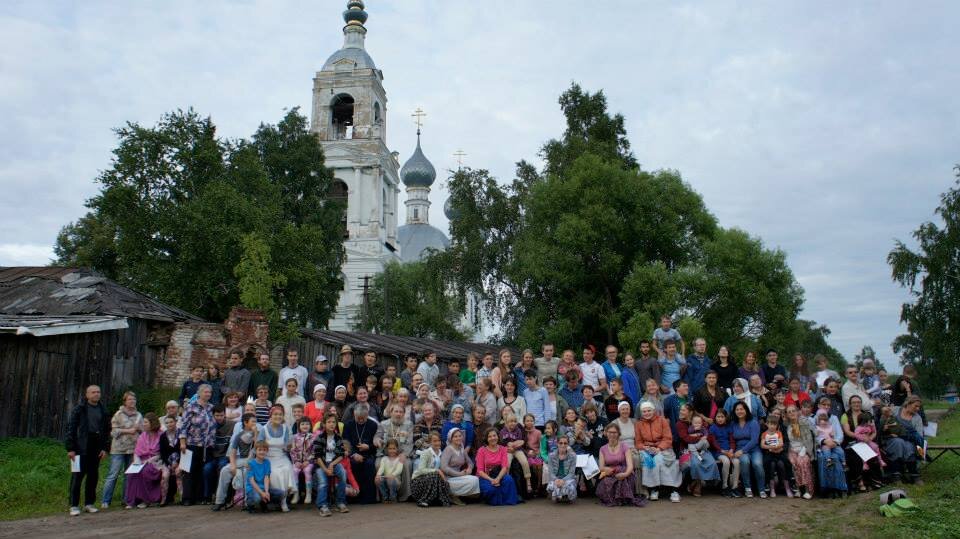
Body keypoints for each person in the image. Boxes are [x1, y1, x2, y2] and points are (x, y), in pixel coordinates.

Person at [101, 391, 142, 508]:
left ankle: (126, 499)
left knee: (129, 475)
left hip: (133, 448)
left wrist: (140, 428)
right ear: (125, 401)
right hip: (118, 449)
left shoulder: (139, 415)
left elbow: (143, 430)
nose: (132, 401)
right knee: (113, 474)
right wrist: (128, 431)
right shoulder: (118, 414)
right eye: (130, 399)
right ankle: (105, 500)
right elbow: (113, 432)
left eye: (134, 399)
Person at [634, 401, 682, 502]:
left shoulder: (662, 420)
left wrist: (659, 448)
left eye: (649, 410)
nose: (647, 413)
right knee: (649, 462)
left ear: (653, 411)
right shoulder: (638, 424)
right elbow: (638, 443)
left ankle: (674, 490)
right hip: (647, 449)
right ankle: (654, 489)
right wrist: (644, 447)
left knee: (663, 461)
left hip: (663, 448)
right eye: (644, 411)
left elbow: (668, 438)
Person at [211, 412, 258, 511]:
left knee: (246, 472)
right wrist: (232, 465)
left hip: (253, 460)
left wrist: (256, 433)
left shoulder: (258, 434)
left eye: (255, 421)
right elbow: (232, 453)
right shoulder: (239, 436)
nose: (255, 423)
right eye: (252, 421)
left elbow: (257, 448)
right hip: (240, 460)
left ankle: (248, 502)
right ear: (246, 423)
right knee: (224, 470)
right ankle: (220, 501)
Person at [177, 384, 215, 506]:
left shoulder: (211, 407)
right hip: (191, 443)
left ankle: (199, 497)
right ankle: (187, 498)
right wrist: (182, 442)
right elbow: (183, 425)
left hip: (207, 446)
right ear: (199, 393)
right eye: (205, 392)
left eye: (210, 392)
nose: (208, 394)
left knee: (201, 471)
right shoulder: (191, 407)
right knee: (188, 471)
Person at [596, 422, 646, 506]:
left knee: (622, 480)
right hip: (611, 473)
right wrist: (605, 469)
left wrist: (625, 474)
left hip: (625, 472)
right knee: (604, 486)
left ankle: (623, 498)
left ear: (618, 434)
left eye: (614, 432)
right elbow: (601, 467)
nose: (612, 434)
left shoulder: (625, 447)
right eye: (610, 432)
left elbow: (630, 466)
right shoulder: (602, 449)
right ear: (606, 433)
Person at [840, 395, 883, 492]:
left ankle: (874, 482)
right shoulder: (845, 416)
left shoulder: (867, 414)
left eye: (858, 402)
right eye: (854, 402)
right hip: (852, 441)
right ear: (850, 404)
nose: (856, 404)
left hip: (868, 441)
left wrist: (869, 439)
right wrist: (860, 438)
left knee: (872, 455)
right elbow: (847, 431)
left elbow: (873, 431)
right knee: (856, 457)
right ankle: (860, 483)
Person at [124, 413, 166, 508]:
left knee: (146, 471)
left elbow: (163, 453)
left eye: (146, 422)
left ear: (152, 423)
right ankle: (132, 501)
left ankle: (147, 500)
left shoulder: (161, 435)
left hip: (157, 461)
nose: (143, 424)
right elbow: (137, 451)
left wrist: (150, 460)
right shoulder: (142, 435)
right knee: (132, 474)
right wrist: (136, 462)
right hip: (142, 461)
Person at [376, 403, 414, 501]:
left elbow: (409, 442)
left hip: (401, 453)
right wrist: (377, 440)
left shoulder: (408, 424)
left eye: (401, 412)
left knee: (407, 464)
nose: (398, 414)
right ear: (391, 413)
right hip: (385, 453)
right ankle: (382, 495)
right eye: (396, 411)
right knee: (378, 464)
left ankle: (404, 495)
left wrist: (404, 454)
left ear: (404, 414)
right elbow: (377, 436)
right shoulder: (383, 424)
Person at [676, 407, 718, 496]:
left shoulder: (700, 421)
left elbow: (709, 437)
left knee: (711, 462)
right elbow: (685, 438)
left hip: (703, 449)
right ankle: (698, 485)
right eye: (681, 410)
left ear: (690, 412)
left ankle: (694, 483)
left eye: (683, 410)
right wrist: (699, 437)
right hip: (687, 449)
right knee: (696, 463)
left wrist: (703, 437)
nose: (681, 412)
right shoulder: (680, 424)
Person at [312, 413, 349, 516]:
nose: (331, 424)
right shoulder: (319, 438)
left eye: (333, 422)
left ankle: (340, 502)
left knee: (342, 474)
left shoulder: (338, 437)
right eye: (329, 422)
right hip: (321, 464)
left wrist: (332, 464)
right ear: (323, 424)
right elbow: (317, 456)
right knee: (323, 482)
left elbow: (341, 455)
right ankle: (323, 506)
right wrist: (326, 469)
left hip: (334, 462)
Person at [257, 405, 294, 503]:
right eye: (275, 414)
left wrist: (290, 447)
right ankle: (280, 499)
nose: (278, 416)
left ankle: (285, 499)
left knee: (287, 469)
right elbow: (259, 445)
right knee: (276, 473)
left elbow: (286, 446)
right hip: (268, 458)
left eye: (280, 415)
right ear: (271, 416)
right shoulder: (264, 429)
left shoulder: (285, 428)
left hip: (282, 456)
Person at [883, 397, 924, 484]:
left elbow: (919, 435)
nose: (918, 409)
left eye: (919, 407)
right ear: (908, 404)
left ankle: (914, 474)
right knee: (898, 442)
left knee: (908, 446)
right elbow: (883, 419)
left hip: (909, 439)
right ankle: (896, 475)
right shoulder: (895, 410)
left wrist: (906, 435)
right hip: (891, 438)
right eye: (915, 406)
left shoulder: (917, 418)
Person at [729, 401, 765, 498]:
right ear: (734, 411)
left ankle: (762, 489)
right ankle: (747, 488)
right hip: (739, 448)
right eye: (737, 409)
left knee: (757, 464)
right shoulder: (733, 423)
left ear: (746, 410)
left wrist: (742, 451)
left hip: (754, 449)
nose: (739, 411)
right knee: (744, 462)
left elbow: (754, 440)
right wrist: (733, 450)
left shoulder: (753, 422)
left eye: (741, 409)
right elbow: (732, 439)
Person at [343, 403, 378, 504]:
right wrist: (354, 454)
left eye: (363, 418)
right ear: (354, 415)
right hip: (353, 454)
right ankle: (354, 497)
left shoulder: (373, 425)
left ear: (367, 415)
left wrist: (368, 446)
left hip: (369, 454)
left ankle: (369, 498)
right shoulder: (348, 425)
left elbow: (375, 443)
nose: (361, 420)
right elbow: (345, 442)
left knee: (369, 465)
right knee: (354, 464)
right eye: (359, 418)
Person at [475, 429, 520, 505]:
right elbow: (480, 471)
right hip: (486, 477)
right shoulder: (481, 450)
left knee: (509, 479)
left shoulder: (503, 449)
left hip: (499, 475)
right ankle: (497, 499)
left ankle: (506, 500)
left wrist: (498, 479)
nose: (493, 438)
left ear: (498, 437)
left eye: (494, 435)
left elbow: (504, 467)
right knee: (491, 490)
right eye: (490, 436)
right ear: (486, 439)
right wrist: (492, 480)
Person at [410, 432, 454, 507]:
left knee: (441, 479)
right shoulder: (426, 453)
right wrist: (436, 470)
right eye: (435, 441)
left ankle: (436, 500)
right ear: (430, 442)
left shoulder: (442, 453)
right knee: (434, 475)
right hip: (419, 481)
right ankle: (423, 500)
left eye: (439, 441)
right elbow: (421, 470)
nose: (437, 443)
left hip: (434, 479)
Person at [202, 406, 234, 504]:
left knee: (221, 467)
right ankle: (207, 496)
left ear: (225, 415)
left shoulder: (232, 425)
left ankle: (219, 495)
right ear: (213, 415)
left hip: (225, 455)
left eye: (221, 415)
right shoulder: (209, 426)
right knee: (206, 469)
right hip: (213, 456)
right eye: (217, 415)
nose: (219, 417)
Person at [245, 441, 288, 513]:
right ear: (255, 451)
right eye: (260, 450)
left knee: (282, 493)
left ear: (267, 451)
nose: (262, 452)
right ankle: (250, 504)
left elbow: (266, 478)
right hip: (253, 489)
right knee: (257, 498)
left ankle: (264, 503)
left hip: (263, 488)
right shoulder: (251, 464)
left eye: (264, 450)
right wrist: (262, 493)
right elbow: (252, 481)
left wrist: (267, 492)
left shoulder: (267, 462)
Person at [785, 405, 815, 499]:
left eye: (793, 411)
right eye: (789, 412)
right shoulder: (787, 426)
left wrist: (803, 452)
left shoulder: (804, 423)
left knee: (802, 461)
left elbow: (809, 440)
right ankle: (798, 488)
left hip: (804, 449)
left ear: (798, 412)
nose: (792, 413)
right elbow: (789, 441)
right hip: (792, 449)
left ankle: (808, 489)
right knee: (792, 462)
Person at [441, 428, 480, 500]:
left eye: (460, 436)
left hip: (458, 476)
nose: (458, 438)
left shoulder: (461, 448)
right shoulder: (448, 449)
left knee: (475, 479)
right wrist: (459, 474)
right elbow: (444, 467)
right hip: (448, 478)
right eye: (455, 437)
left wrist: (469, 468)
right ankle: (452, 495)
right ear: (451, 438)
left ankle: (460, 496)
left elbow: (470, 462)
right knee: (472, 480)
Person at [708, 409, 740, 498]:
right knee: (726, 461)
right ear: (715, 418)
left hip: (729, 451)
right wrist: (722, 451)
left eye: (722, 417)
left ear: (726, 418)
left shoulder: (729, 427)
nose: (720, 419)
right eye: (718, 417)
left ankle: (735, 487)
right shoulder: (713, 427)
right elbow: (713, 442)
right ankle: (724, 486)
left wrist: (731, 450)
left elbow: (732, 441)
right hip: (718, 452)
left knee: (737, 462)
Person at [760, 416, 794, 498]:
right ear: (767, 424)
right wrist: (771, 448)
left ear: (777, 425)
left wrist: (776, 448)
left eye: (774, 425)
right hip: (769, 453)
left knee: (786, 462)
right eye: (770, 424)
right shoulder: (764, 434)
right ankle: (770, 487)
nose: (772, 426)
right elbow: (762, 445)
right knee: (767, 463)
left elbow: (781, 443)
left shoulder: (778, 433)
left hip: (779, 452)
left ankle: (788, 486)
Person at [499, 413, 533, 493]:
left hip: (517, 450)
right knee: (507, 464)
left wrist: (514, 446)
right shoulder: (502, 431)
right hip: (508, 450)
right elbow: (501, 442)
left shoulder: (518, 430)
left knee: (524, 462)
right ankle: (506, 481)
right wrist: (508, 445)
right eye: (511, 421)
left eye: (514, 421)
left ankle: (528, 481)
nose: (513, 423)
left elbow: (520, 442)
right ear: (506, 423)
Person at [287, 417, 315, 505]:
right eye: (302, 424)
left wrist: (308, 461)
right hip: (297, 462)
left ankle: (308, 493)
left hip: (309, 462)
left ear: (310, 426)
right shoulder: (295, 437)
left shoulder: (313, 437)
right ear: (299, 426)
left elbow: (314, 452)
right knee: (294, 470)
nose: (305, 426)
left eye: (307, 424)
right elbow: (292, 451)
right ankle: (296, 494)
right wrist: (295, 461)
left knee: (307, 470)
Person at [545, 433, 578, 503]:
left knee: (570, 488)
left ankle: (566, 496)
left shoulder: (573, 456)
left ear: (568, 444)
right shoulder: (551, 456)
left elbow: (571, 473)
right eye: (560, 443)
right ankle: (559, 495)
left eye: (565, 443)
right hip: (556, 478)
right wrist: (556, 480)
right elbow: (551, 473)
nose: (563, 445)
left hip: (568, 478)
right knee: (550, 487)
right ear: (557, 443)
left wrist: (563, 480)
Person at [375, 439, 404, 503]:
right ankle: (385, 497)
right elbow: (381, 468)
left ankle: (393, 497)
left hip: (395, 480)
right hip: (386, 479)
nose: (392, 451)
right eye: (390, 449)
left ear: (397, 449)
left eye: (394, 448)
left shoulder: (399, 458)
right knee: (378, 479)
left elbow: (399, 470)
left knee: (390, 480)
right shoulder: (384, 459)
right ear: (387, 449)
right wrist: (378, 475)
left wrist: (392, 475)